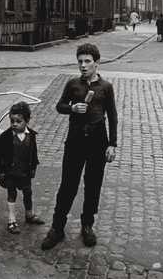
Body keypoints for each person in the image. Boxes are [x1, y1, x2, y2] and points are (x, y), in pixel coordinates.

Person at [41, 43, 118, 250]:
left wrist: (112, 144)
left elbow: (112, 116)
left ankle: (87, 225)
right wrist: (73, 108)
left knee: (93, 185)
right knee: (68, 185)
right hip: (75, 140)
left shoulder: (106, 87)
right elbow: (60, 106)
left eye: (87, 62)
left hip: (97, 141)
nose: (83, 66)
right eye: (80, 62)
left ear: (96, 63)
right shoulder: (73, 84)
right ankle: (57, 228)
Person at [0, 101, 44, 234]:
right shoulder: (5, 138)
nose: (14, 124)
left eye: (18, 121)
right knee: (12, 194)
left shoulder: (31, 135)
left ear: (26, 121)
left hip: (25, 172)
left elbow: (33, 153)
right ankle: (11, 220)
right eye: (12, 121)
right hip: (10, 173)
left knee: (28, 193)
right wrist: (1, 173)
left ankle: (29, 214)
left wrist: (33, 168)